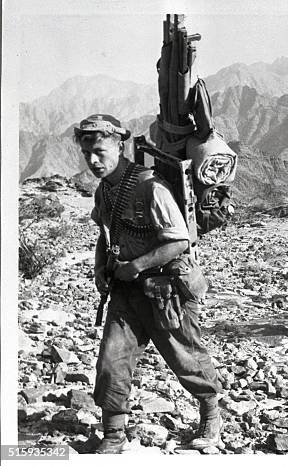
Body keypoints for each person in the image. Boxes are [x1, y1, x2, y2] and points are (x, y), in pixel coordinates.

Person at [74, 114, 222, 453]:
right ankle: (113, 435)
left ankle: (211, 414)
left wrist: (136, 265)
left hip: (165, 291)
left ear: (119, 146)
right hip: (126, 292)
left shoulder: (149, 186)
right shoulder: (106, 191)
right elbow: (105, 233)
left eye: (100, 151)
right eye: (87, 155)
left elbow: (178, 241)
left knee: (185, 357)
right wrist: (101, 267)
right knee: (111, 362)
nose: (94, 161)